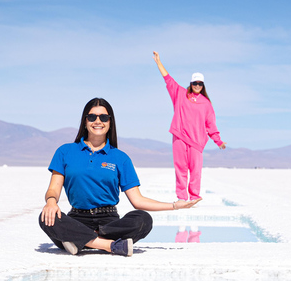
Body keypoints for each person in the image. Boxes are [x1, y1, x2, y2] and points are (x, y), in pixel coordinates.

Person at [39, 97, 200, 257]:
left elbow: (138, 201)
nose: (98, 121)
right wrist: (51, 202)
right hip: (77, 218)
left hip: (109, 222)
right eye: (92, 117)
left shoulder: (120, 158)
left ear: (110, 122)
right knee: (46, 217)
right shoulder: (65, 151)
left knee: (143, 219)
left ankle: (80, 239)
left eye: (103, 117)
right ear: (85, 121)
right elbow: (54, 188)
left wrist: (174, 205)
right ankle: (110, 245)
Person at [152, 51, 227, 202]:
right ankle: (181, 197)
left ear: (203, 85)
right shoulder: (180, 94)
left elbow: (211, 124)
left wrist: (218, 141)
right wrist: (159, 63)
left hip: (197, 142)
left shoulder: (206, 103)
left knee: (196, 170)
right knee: (180, 168)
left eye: (200, 83)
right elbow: (168, 80)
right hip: (179, 136)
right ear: (191, 84)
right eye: (195, 83)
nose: (197, 85)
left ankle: (194, 196)